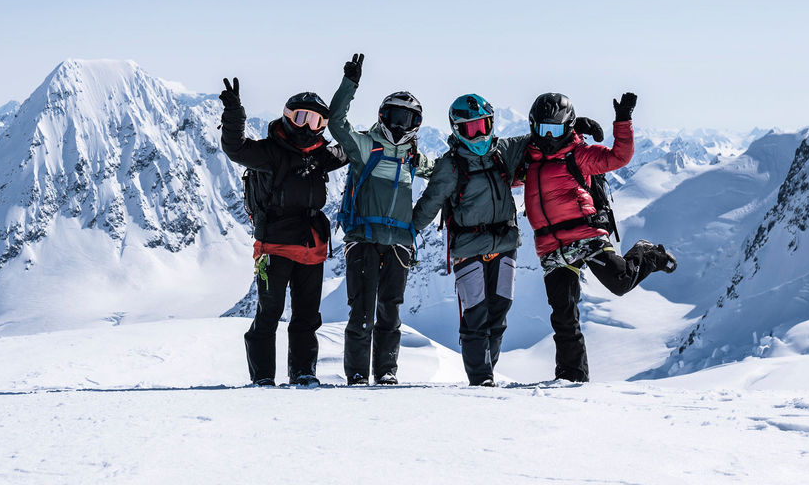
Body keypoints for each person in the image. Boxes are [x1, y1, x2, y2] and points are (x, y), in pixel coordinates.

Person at [412, 94, 601, 386]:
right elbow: (428, 205)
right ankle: (482, 379)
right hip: (468, 247)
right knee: (476, 315)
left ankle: (487, 371)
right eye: (470, 129)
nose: (479, 134)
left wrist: (576, 129)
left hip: (504, 243)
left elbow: (541, 135)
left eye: (483, 125)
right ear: (457, 131)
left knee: (498, 312)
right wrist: (405, 233)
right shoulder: (449, 167)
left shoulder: (504, 151)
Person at [520, 91, 678, 382]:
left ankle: (646, 253)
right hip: (551, 247)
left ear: (567, 127)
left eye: (556, 129)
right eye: (544, 129)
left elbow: (620, 157)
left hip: (586, 234)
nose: (549, 136)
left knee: (620, 283)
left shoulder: (578, 155)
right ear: (533, 127)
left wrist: (623, 120)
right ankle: (571, 377)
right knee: (563, 315)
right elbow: (507, 176)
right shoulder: (528, 159)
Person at [220, 77, 348, 388]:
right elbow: (235, 148)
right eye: (301, 117)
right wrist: (235, 114)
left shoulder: (321, 155)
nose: (307, 126)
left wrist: (349, 92)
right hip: (275, 247)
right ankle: (263, 376)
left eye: (316, 120)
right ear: (288, 117)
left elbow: (351, 149)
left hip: (312, 248)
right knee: (269, 314)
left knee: (306, 317)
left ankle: (303, 373)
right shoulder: (269, 152)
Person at [328, 53, 431, 385]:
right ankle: (357, 374)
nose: (400, 125)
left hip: (399, 245)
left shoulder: (414, 159)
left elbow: (447, 171)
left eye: (408, 119)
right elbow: (336, 123)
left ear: (416, 124)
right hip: (364, 240)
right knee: (361, 312)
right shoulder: (364, 146)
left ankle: (386, 371)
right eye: (394, 116)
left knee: (391, 312)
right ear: (382, 116)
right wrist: (350, 83)